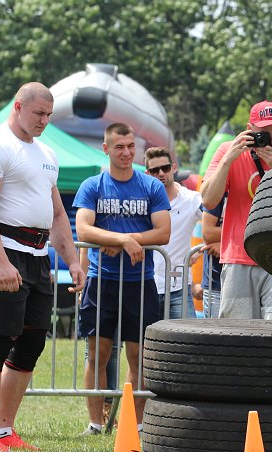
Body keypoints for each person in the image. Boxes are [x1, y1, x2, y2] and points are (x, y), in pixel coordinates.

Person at [0, 82, 86, 452]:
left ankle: (5, 431)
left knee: (32, 342)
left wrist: (73, 261)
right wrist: (0, 263)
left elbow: (57, 214)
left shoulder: (47, 153)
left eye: (49, 115)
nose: (45, 121)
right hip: (4, 251)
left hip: (38, 257)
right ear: (18, 106)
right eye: (39, 113)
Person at [74, 123, 171, 435]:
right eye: (119, 147)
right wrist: (122, 240)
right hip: (100, 280)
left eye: (131, 146)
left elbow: (163, 232)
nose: (126, 153)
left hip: (139, 282)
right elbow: (84, 229)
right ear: (106, 149)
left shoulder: (151, 186)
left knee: (138, 356)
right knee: (98, 354)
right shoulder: (93, 186)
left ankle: (135, 424)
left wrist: (126, 240)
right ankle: (95, 423)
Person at [201, 100, 272, 320]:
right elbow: (208, 200)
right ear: (249, 129)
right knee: (238, 332)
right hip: (239, 259)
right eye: (264, 133)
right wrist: (228, 159)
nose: (271, 140)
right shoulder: (228, 150)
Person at [146, 147, 203, 319]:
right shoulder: (141, 200)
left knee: (187, 336)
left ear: (174, 168)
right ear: (148, 173)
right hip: (146, 286)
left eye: (165, 168)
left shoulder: (191, 199)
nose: (161, 173)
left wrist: (200, 249)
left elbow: (217, 221)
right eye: (155, 170)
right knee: (144, 337)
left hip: (179, 288)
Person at [200, 195, 225, 318]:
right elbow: (208, 233)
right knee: (214, 328)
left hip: (251, 281)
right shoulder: (218, 192)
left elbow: (259, 231)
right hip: (215, 282)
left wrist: (226, 245)